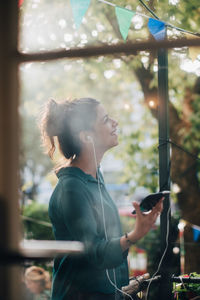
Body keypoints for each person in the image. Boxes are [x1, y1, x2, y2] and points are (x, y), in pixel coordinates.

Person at [40, 98, 163, 300]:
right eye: (105, 119)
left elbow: (106, 239)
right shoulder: (72, 188)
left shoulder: (95, 177)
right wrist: (134, 234)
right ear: (86, 136)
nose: (115, 122)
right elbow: (95, 252)